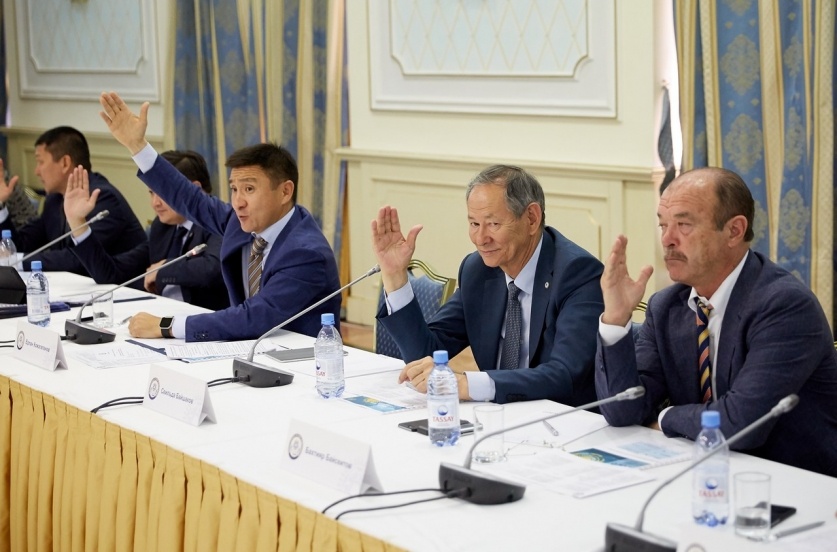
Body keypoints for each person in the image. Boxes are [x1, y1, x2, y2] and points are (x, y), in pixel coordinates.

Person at [596, 167, 837, 476]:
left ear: (734, 231)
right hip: (703, 470)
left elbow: (740, 424)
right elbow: (623, 409)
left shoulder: (784, 306)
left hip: (791, 480)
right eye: (663, 225)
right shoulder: (666, 306)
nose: (667, 240)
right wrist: (615, 319)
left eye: (684, 225)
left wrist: (665, 418)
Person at [98, 91, 340, 342]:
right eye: (234, 189)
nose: (238, 202)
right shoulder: (241, 222)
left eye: (249, 189)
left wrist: (166, 326)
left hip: (303, 359)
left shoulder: (305, 252)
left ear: (285, 192)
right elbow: (190, 198)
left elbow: (254, 317)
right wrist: (138, 147)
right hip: (252, 349)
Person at [372, 165, 604, 405]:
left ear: (531, 218)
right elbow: (425, 355)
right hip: (496, 416)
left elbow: (565, 375)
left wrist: (466, 384)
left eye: (493, 224)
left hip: (563, 417)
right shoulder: (478, 271)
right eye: (474, 224)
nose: (481, 239)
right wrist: (395, 276)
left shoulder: (577, 274)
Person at [63, 150, 229, 311]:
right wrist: (78, 222)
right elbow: (111, 273)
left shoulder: (219, 222)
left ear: (195, 189)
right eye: (151, 193)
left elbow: (213, 269)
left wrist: (164, 269)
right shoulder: (163, 227)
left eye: (162, 193)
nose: (155, 203)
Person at [0, 126, 147, 273]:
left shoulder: (102, 198)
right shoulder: (54, 200)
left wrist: (17, 261)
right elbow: (21, 246)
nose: (36, 171)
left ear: (65, 163)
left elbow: (78, 259)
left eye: (41, 162)